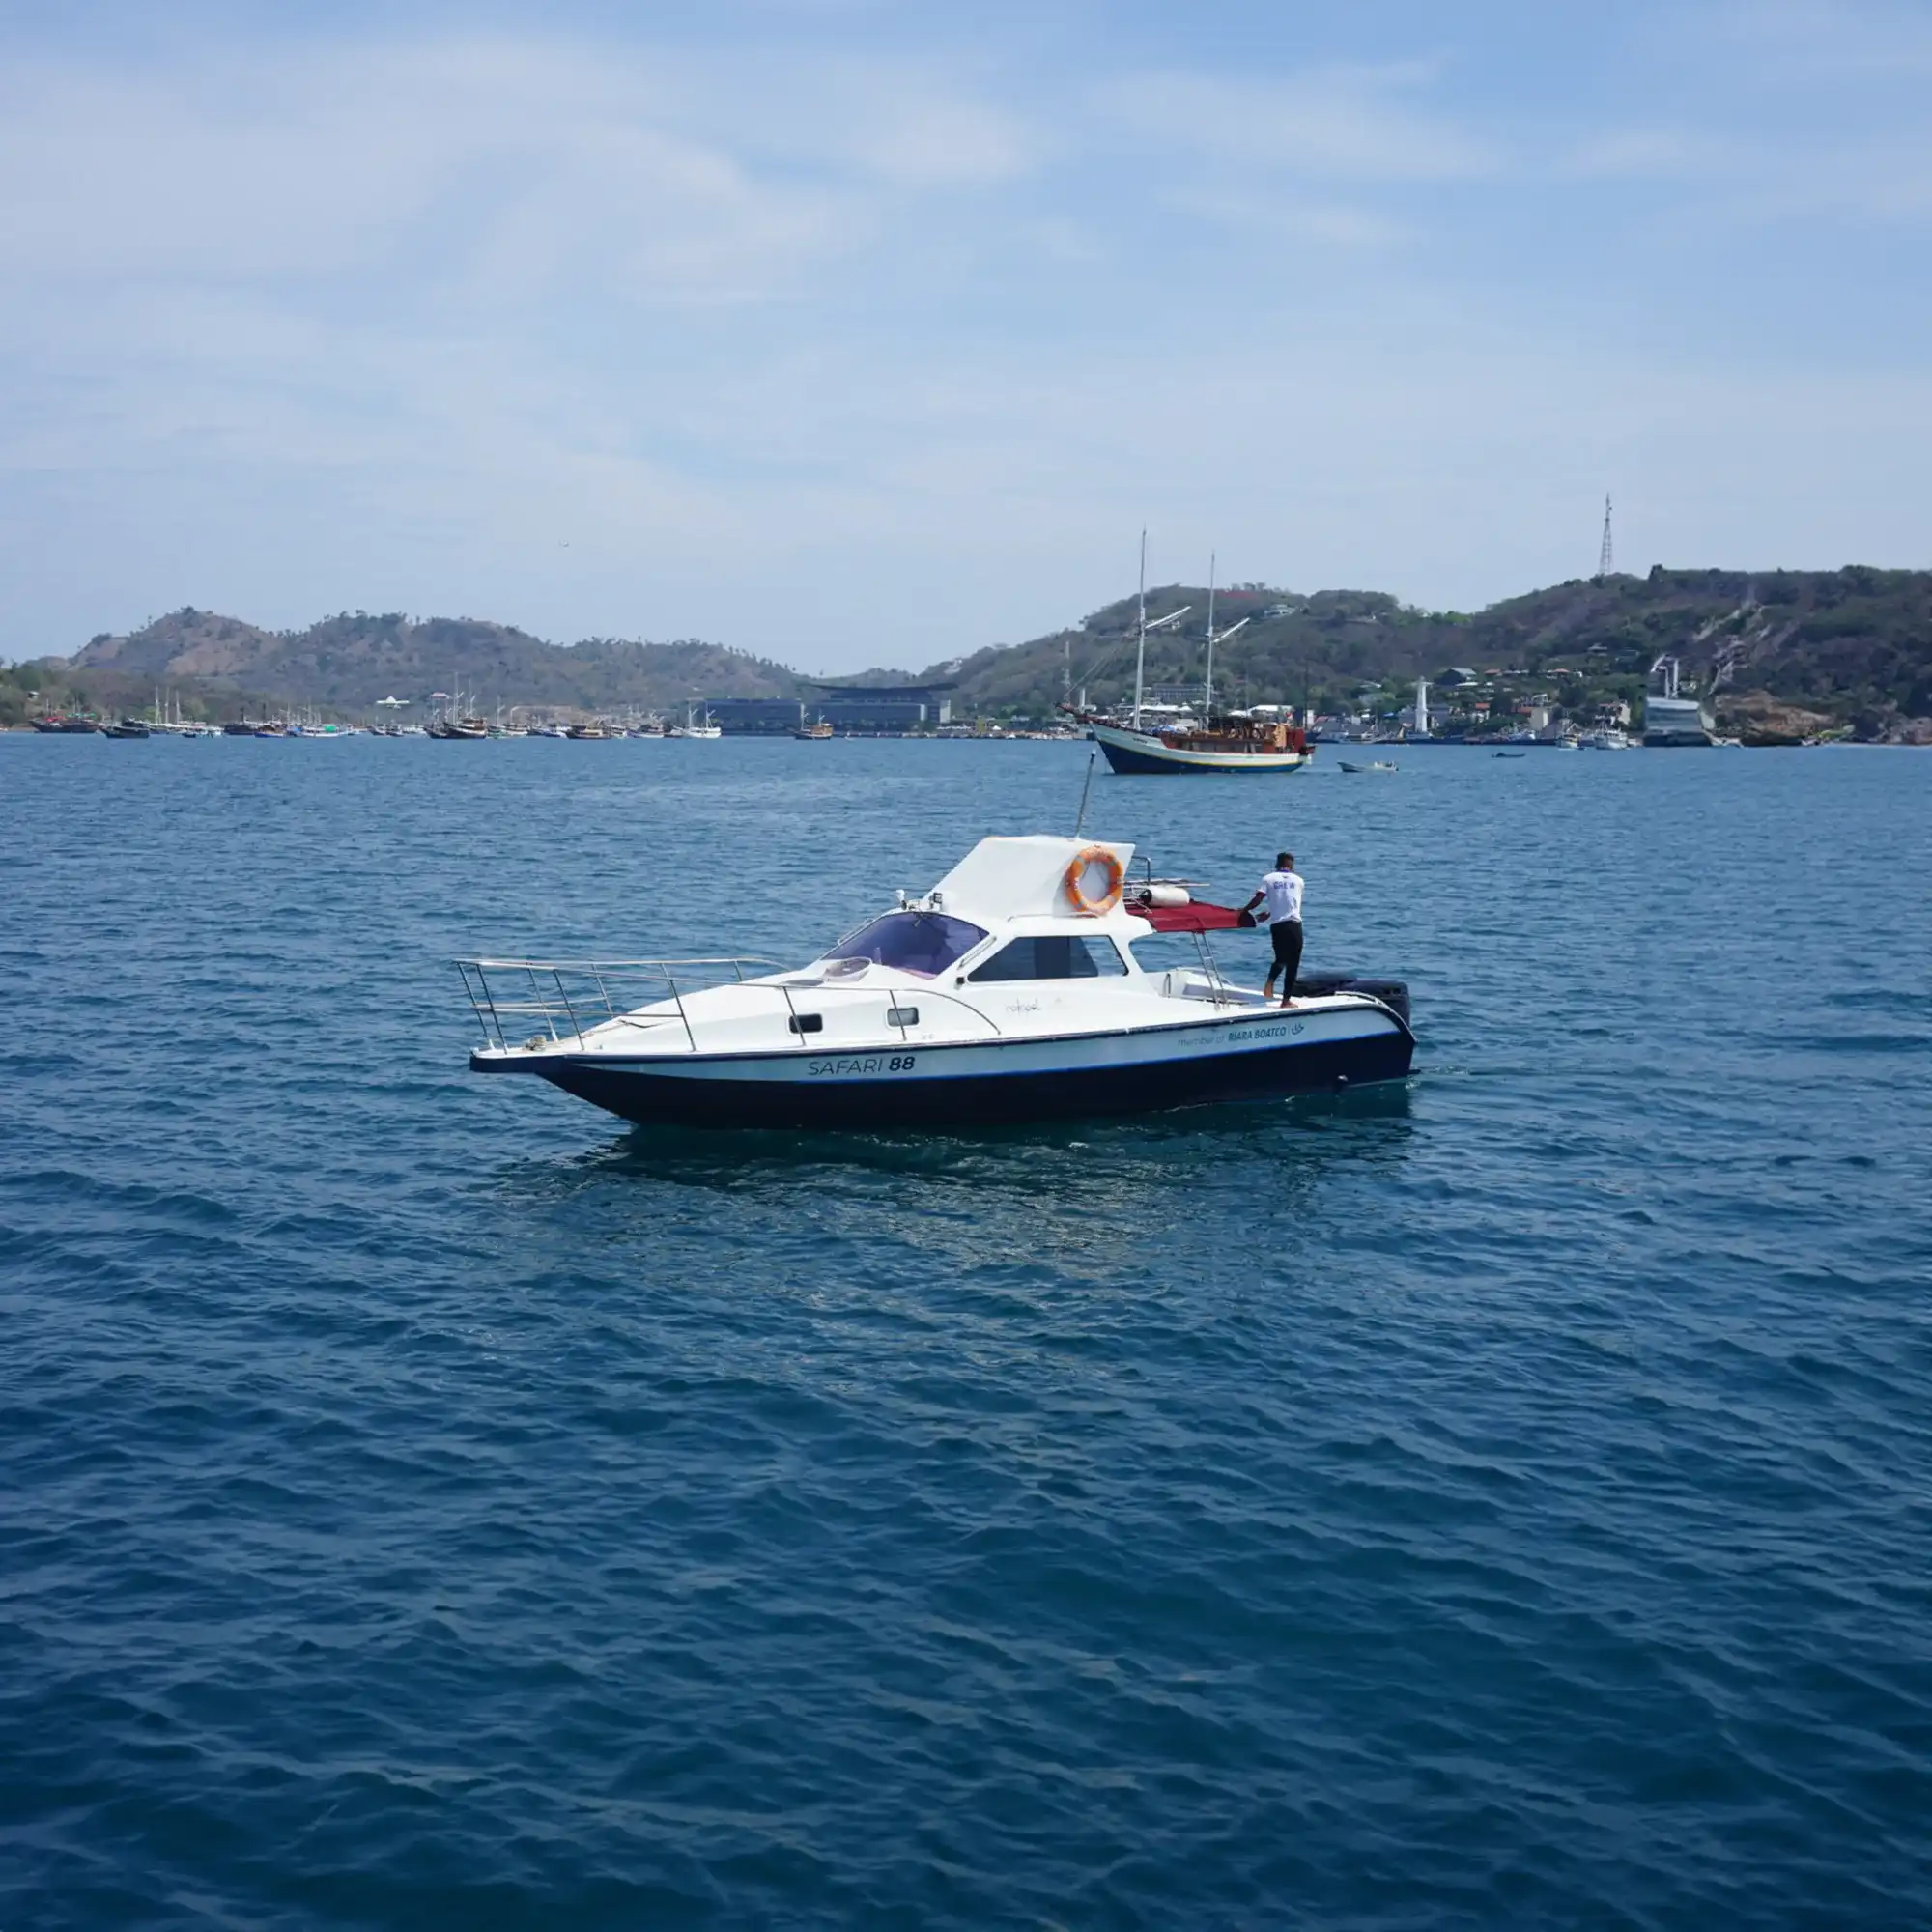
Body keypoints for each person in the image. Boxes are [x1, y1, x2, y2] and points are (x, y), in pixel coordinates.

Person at [1241, 851, 1305, 1008]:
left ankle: (1269, 983)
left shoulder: (1268, 879)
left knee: (1280, 959)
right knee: (1293, 963)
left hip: (1277, 926)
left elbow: (1259, 898)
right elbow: (1291, 903)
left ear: (1276, 864)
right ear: (1292, 866)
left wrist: (1243, 911)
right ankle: (1285, 1001)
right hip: (1294, 925)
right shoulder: (1299, 881)